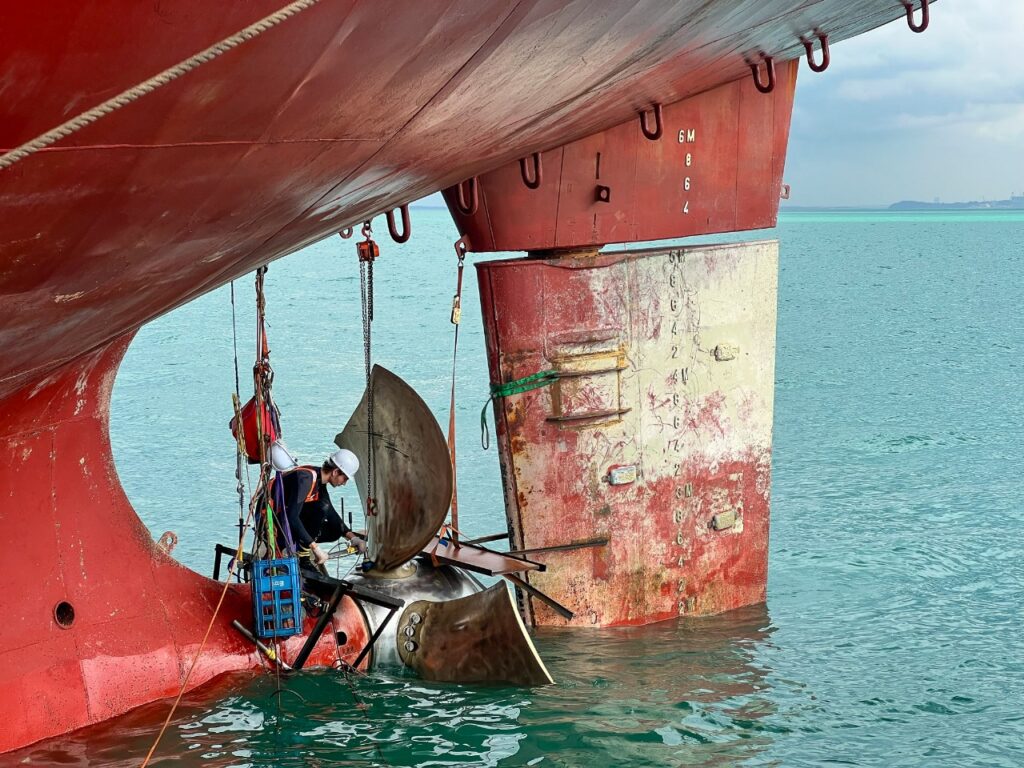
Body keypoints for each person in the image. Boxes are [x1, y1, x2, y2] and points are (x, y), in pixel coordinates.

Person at [266, 448, 366, 569]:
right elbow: (292, 516)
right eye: (345, 478)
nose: (344, 483)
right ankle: (303, 557)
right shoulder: (305, 479)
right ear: (335, 472)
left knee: (335, 530)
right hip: (271, 525)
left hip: (284, 520)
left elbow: (331, 514)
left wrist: (353, 538)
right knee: (321, 508)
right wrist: (315, 548)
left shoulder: (319, 480)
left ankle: (302, 548)